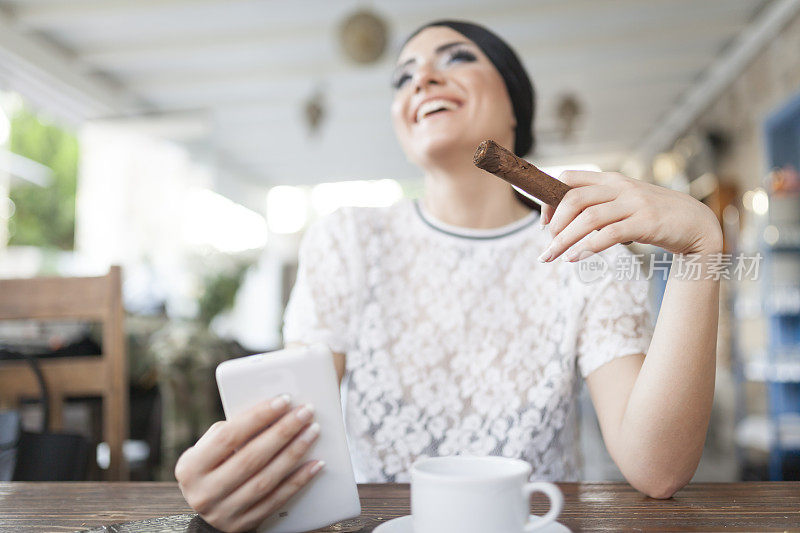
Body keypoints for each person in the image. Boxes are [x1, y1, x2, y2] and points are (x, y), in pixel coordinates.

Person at [175, 20, 723, 532]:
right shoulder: (347, 240)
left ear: (516, 106)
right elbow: (293, 431)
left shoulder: (590, 250)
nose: (423, 79)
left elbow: (658, 468)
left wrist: (701, 244)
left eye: (455, 58)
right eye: (403, 76)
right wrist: (235, 473)